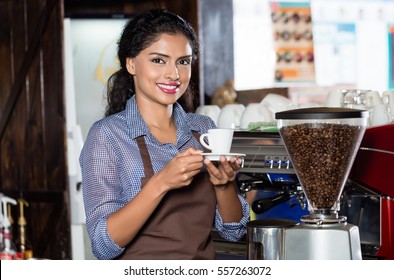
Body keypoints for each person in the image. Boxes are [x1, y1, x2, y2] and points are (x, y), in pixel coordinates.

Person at [79, 8, 249, 260]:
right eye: (158, 60)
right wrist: (162, 182)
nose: (174, 74)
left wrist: (223, 185)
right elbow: (103, 244)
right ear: (131, 63)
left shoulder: (203, 128)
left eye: (183, 61)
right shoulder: (107, 136)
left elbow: (234, 231)